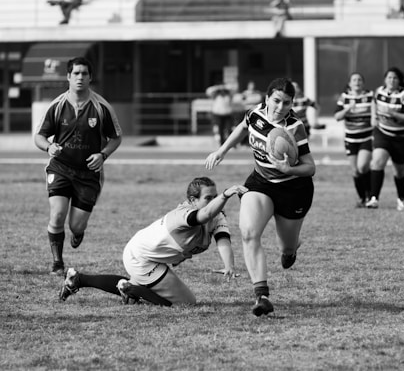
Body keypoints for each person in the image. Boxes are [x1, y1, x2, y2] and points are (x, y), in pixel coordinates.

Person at [205, 78, 315, 316]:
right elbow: (243, 127)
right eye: (276, 100)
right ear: (267, 99)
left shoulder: (295, 127)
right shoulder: (255, 113)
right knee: (248, 233)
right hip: (261, 183)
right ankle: (262, 296)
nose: (280, 107)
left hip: (294, 190)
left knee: (286, 246)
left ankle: (291, 249)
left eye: (287, 103)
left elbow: (310, 167)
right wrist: (222, 150)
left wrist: (289, 169)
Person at [59, 177, 248, 306]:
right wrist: (225, 195)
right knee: (185, 302)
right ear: (192, 200)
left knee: (154, 289)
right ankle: (132, 290)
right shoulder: (182, 215)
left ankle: (79, 279)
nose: (214, 201)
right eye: (209, 198)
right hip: (140, 257)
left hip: (148, 254)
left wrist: (229, 265)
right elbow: (204, 214)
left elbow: (223, 239)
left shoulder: (217, 215)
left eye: (215, 197)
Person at [34, 57, 123, 276]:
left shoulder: (102, 107)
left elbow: (116, 138)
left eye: (84, 73)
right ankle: (57, 263)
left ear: (90, 77)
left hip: (88, 174)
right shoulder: (57, 105)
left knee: (76, 226)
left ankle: (78, 232)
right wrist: (48, 148)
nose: (80, 77)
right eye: (76, 73)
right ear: (68, 77)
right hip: (60, 167)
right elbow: (39, 136)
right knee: (57, 215)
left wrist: (103, 155)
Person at [366, 67, 404, 211]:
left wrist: (393, 114)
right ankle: (374, 198)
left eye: (394, 78)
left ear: (399, 81)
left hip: (401, 138)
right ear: (384, 79)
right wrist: (373, 117)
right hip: (382, 133)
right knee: (377, 161)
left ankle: (401, 198)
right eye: (389, 78)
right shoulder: (379, 91)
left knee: (399, 171)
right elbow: (374, 102)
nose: (391, 80)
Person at [334, 72, 374, 208]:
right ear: (350, 83)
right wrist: (348, 109)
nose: (357, 82)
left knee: (363, 166)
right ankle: (362, 197)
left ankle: (370, 195)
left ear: (363, 83)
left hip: (367, 137)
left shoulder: (370, 96)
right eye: (354, 80)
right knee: (355, 171)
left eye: (359, 80)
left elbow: (376, 112)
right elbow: (337, 116)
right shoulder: (344, 97)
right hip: (351, 138)